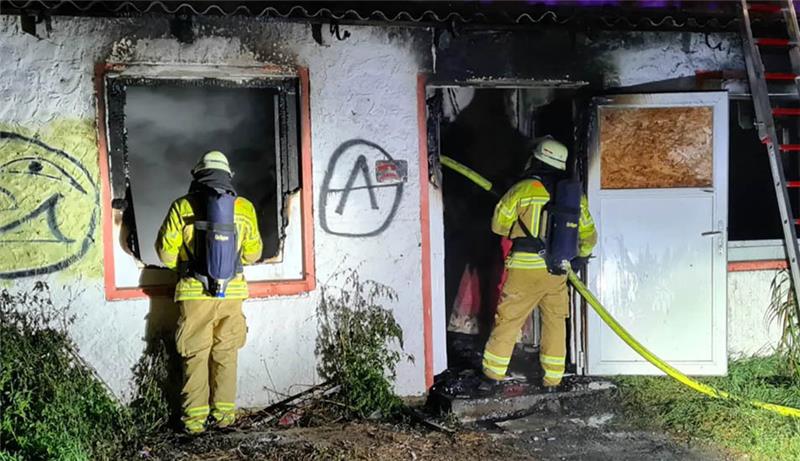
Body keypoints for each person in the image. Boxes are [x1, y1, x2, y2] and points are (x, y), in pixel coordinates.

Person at [156, 150, 263, 434]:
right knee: (226, 354)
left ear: (198, 176)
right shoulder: (244, 208)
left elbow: (166, 257)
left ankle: (194, 424)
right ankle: (225, 418)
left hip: (194, 294)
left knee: (196, 355)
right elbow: (253, 255)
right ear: (228, 176)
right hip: (232, 292)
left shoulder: (182, 206)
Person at [479, 137, 597, 392]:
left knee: (509, 320)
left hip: (525, 268)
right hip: (558, 269)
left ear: (537, 158)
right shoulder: (573, 195)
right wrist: (578, 257)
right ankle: (552, 381)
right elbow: (589, 235)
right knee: (555, 323)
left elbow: (498, 225)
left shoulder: (524, 188)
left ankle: (492, 376)